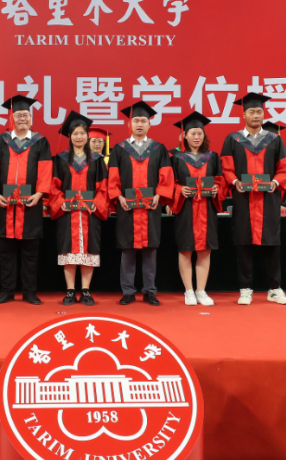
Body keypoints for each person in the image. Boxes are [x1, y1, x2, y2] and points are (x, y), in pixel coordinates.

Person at [220, 93, 286, 305]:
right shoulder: (232, 139)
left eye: (259, 111)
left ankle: (275, 289)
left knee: (272, 243)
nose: (256, 115)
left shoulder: (274, 139)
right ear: (243, 115)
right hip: (243, 199)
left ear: (264, 114)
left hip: (268, 199)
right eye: (251, 111)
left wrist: (275, 182)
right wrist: (235, 182)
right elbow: (226, 168)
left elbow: (285, 168)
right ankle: (245, 289)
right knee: (243, 243)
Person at [0, 94, 54, 304]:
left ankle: (29, 292)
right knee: (6, 251)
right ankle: (7, 291)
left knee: (30, 251)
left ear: (31, 118)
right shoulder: (1, 141)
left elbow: (45, 170)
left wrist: (39, 195)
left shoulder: (40, 142)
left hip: (30, 204)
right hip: (5, 204)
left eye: (26, 115)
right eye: (18, 115)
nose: (23, 118)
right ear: (11, 118)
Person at [108, 100, 174, 305]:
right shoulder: (119, 149)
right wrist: (118, 197)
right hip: (127, 207)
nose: (139, 124)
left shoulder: (158, 149)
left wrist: (159, 195)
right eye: (136, 120)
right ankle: (128, 291)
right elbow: (112, 178)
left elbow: (166, 176)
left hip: (150, 208)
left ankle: (149, 290)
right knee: (127, 249)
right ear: (129, 123)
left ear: (149, 124)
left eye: (143, 121)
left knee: (150, 250)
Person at [49, 112, 109, 306]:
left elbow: (103, 188)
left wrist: (96, 203)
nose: (79, 137)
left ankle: (85, 290)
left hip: (90, 213)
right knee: (69, 252)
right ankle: (69, 290)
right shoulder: (60, 159)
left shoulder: (97, 160)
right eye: (75, 133)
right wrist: (61, 202)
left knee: (88, 252)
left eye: (82, 133)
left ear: (87, 136)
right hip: (67, 212)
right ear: (70, 136)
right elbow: (54, 187)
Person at [170, 112, 224, 306]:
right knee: (186, 250)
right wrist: (179, 189)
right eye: (192, 133)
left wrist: (217, 189)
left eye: (199, 133)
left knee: (205, 250)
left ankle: (201, 291)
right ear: (184, 135)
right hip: (186, 208)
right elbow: (168, 182)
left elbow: (220, 180)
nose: (196, 137)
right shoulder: (175, 157)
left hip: (207, 208)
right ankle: (189, 291)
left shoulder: (212, 157)